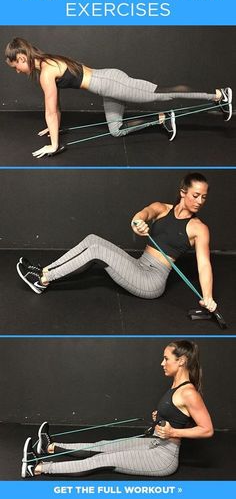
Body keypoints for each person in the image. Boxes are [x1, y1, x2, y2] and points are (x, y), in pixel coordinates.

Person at [16, 172, 217, 312]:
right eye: (195, 195)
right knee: (92, 239)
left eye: (204, 198)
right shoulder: (162, 208)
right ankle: (45, 270)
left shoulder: (199, 228)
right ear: (183, 192)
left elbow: (204, 265)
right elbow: (143, 214)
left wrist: (207, 297)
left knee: (96, 251)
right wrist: (137, 223)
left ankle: (42, 281)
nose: (199, 201)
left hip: (152, 280)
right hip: (139, 263)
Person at [5, 37, 232, 158]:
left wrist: (54, 145)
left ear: (23, 57)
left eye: (16, 66)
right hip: (107, 88)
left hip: (112, 84)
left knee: (163, 93)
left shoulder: (46, 71)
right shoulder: (48, 63)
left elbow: (51, 110)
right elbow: (55, 105)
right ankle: (162, 119)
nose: (17, 71)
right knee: (116, 130)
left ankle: (218, 95)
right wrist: (51, 127)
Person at [21, 339, 214, 478]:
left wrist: (173, 431)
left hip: (162, 458)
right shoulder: (175, 386)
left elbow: (207, 430)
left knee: (102, 460)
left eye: (166, 359)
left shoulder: (189, 393)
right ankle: (49, 447)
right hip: (153, 443)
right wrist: (160, 416)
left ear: (181, 361)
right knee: (103, 446)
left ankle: (37, 467)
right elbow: (178, 414)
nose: (162, 363)